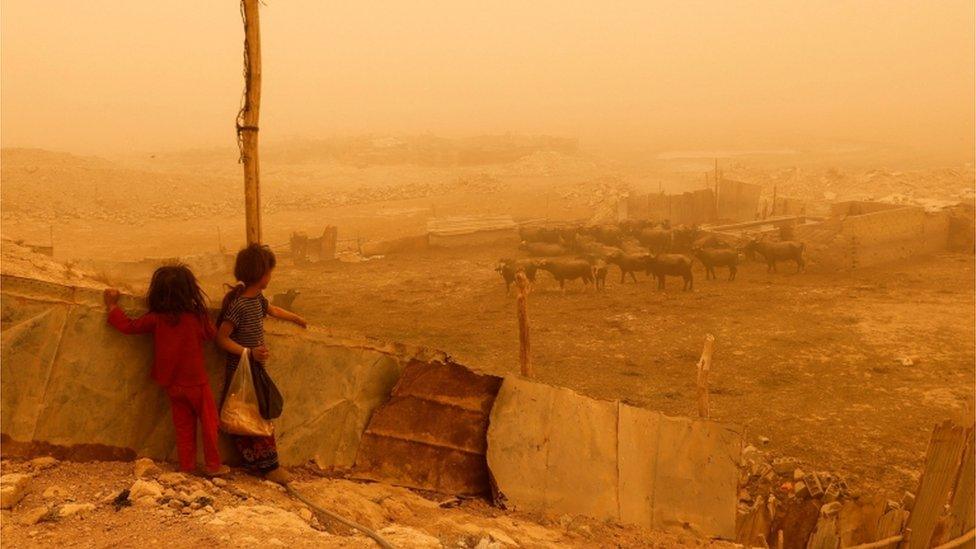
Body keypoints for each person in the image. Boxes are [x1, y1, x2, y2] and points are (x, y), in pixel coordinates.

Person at [104, 265, 229, 477]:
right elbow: (211, 334)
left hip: (172, 384)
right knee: (209, 424)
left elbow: (129, 327)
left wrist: (112, 306)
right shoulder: (196, 317)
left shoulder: (156, 318)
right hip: (197, 383)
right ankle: (213, 466)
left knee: (183, 426)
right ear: (190, 291)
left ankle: (187, 466)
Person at [216, 243, 306, 484]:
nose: (270, 276)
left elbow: (272, 309)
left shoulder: (257, 299)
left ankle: (254, 464)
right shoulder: (239, 306)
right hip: (242, 371)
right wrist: (249, 353)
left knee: (252, 416)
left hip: (254, 368)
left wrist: (296, 318)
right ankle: (269, 466)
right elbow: (221, 338)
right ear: (261, 275)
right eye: (269, 272)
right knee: (255, 418)